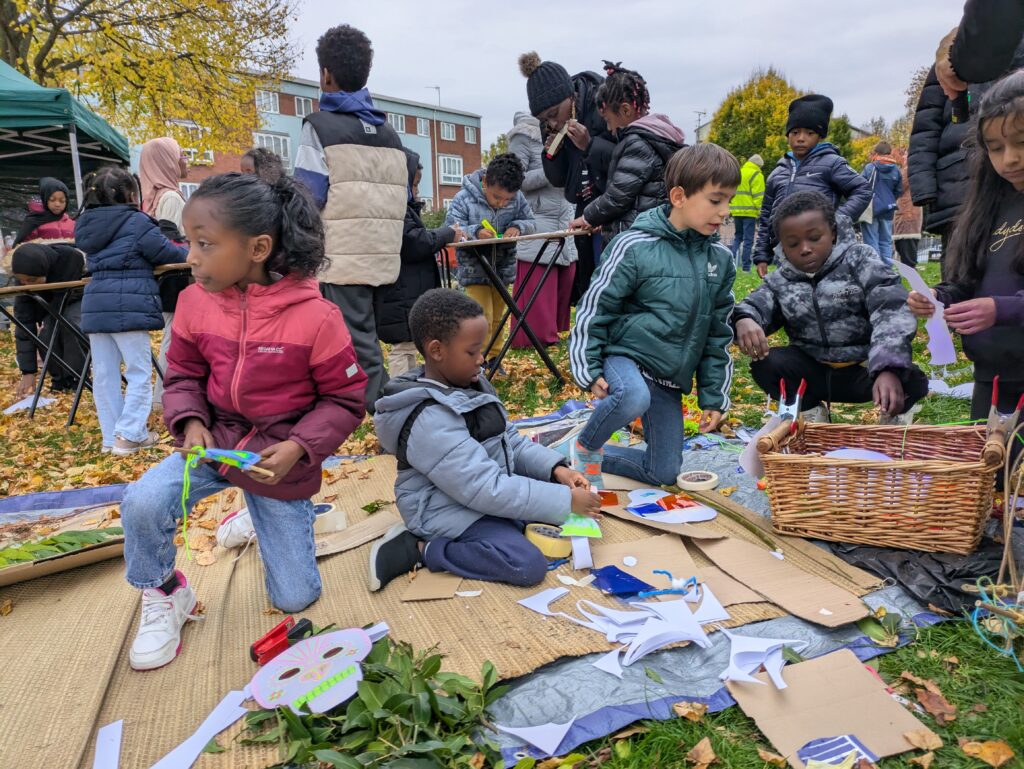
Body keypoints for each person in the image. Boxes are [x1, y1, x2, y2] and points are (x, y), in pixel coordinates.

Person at [119, 172, 367, 670]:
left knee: (296, 599)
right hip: (215, 446)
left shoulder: (317, 317)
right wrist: (189, 422)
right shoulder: (192, 302)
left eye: (205, 244)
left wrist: (298, 447)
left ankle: (255, 515)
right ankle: (166, 591)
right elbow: (184, 375)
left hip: (278, 461)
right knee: (141, 500)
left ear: (257, 248)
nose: (190, 256)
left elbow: (345, 399)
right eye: (189, 242)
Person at [369, 288, 600, 591]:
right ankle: (420, 549)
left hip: (480, 493)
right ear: (437, 350)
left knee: (558, 515)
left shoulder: (471, 381)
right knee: (525, 563)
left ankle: (526, 513)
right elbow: (485, 489)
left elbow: (510, 442)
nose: (482, 360)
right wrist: (565, 501)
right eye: (472, 352)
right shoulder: (429, 420)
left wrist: (557, 470)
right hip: (444, 509)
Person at [569, 144, 740, 488]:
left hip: (667, 378)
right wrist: (586, 367)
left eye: (729, 202)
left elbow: (717, 335)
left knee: (663, 472)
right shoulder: (634, 245)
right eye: (716, 200)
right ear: (679, 196)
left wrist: (714, 398)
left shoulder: (720, 261)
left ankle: (568, 452)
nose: (725, 212)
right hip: (625, 358)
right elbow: (595, 306)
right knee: (633, 395)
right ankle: (587, 444)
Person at [908, 71, 1024, 468]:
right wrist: (940, 297)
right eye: (995, 147)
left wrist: (1001, 309)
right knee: (991, 483)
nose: (1009, 159)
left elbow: (998, 302)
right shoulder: (988, 207)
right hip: (992, 376)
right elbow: (968, 280)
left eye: (1021, 143)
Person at [735, 191, 928, 424]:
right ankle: (809, 414)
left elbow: (891, 309)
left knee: (912, 379)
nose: (805, 248)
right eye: (793, 244)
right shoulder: (781, 280)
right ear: (782, 247)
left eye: (815, 237)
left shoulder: (860, 260)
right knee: (767, 364)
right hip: (811, 372)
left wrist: (888, 368)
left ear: (833, 233)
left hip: (865, 370)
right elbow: (755, 305)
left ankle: (893, 413)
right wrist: (743, 318)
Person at [294, 24, 406, 413]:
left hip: (342, 257)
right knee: (368, 342)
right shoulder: (390, 134)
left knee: (359, 347)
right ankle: (368, 408)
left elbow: (306, 198)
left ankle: (391, 419)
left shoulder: (319, 128)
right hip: (385, 255)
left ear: (326, 74)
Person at [75, 167, 188, 455]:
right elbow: (165, 252)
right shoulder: (135, 221)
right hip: (128, 302)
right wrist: (192, 252)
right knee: (138, 371)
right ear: (129, 194)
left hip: (97, 304)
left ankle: (111, 437)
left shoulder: (85, 222)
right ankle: (131, 433)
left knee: (104, 373)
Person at [519, 51, 614, 303]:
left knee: (612, 280)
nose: (551, 123)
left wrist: (589, 145)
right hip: (582, 207)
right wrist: (551, 155)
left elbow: (624, 159)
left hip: (613, 206)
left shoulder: (601, 104)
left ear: (571, 96)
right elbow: (559, 180)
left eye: (553, 113)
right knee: (590, 283)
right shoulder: (550, 122)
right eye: (544, 119)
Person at [753, 95, 872, 278]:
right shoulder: (777, 172)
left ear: (819, 136)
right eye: (795, 132)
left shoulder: (832, 163)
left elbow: (862, 190)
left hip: (819, 251)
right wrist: (762, 254)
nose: (801, 138)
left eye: (809, 133)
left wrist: (837, 220)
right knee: (787, 297)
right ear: (787, 135)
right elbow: (766, 215)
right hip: (784, 251)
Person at [570, 62, 686, 244]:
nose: (608, 128)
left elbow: (618, 196)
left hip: (636, 240)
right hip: (652, 235)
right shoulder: (658, 137)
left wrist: (588, 217)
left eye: (608, 120)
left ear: (626, 109)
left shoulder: (636, 143)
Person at [375, 149, 461, 376]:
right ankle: (401, 392)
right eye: (413, 185)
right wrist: (446, 234)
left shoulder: (403, 209)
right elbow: (414, 242)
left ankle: (413, 385)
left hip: (407, 292)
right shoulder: (395, 209)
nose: (416, 191)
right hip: (401, 294)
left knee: (412, 345)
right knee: (404, 348)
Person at [444, 153, 536, 364]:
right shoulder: (463, 198)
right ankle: (476, 359)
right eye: (496, 197)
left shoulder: (518, 199)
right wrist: (475, 231)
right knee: (480, 316)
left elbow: (530, 221)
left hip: (502, 268)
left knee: (498, 317)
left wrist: (517, 227)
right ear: (485, 182)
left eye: (508, 199)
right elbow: (451, 228)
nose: (502, 204)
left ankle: (494, 358)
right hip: (473, 269)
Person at [506, 110, 578, 348]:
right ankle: (533, 338)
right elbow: (515, 179)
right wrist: (552, 170)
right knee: (537, 281)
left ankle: (553, 334)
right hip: (537, 218)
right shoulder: (523, 136)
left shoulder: (563, 133)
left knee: (560, 280)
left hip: (563, 218)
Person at [139, 136, 190, 409]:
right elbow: (171, 240)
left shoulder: (152, 195)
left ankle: (163, 395)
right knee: (174, 337)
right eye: (181, 155)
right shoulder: (169, 197)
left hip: (167, 279)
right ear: (167, 161)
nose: (186, 161)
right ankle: (163, 397)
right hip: (177, 278)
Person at [10, 243, 86, 397]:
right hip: (52, 304)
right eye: (21, 280)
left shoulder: (70, 258)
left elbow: (63, 301)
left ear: (43, 270)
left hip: (78, 297)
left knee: (70, 326)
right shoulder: (25, 281)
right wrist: (28, 371)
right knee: (46, 334)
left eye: (31, 279)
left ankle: (76, 378)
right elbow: (24, 325)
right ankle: (58, 380)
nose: (26, 284)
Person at [861, 141, 904, 264]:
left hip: (871, 209)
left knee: (871, 240)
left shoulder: (870, 168)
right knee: (886, 241)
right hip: (888, 209)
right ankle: (887, 271)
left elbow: (860, 187)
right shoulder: (896, 170)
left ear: (876, 152)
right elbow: (899, 191)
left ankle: (875, 269)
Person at [13, 177, 75, 246]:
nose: (57, 204)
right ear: (45, 199)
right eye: (52, 200)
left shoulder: (72, 223)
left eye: (62, 201)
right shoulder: (33, 222)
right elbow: (24, 247)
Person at [729, 154, 765, 272]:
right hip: (750, 212)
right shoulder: (756, 174)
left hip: (736, 210)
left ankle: (730, 261)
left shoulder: (739, 172)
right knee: (748, 240)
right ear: (759, 165)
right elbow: (758, 196)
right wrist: (761, 212)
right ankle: (745, 267)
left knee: (737, 237)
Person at [893, 149, 923, 268]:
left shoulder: (908, 171)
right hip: (910, 214)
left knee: (906, 249)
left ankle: (911, 276)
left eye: (906, 155)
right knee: (906, 248)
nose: (904, 157)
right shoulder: (916, 170)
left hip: (907, 215)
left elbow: (898, 186)